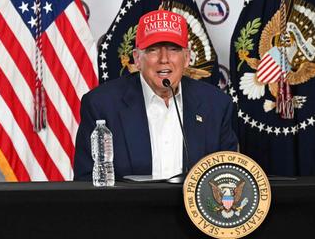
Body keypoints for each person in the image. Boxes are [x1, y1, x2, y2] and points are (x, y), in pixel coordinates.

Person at [74, 9, 237, 180]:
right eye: (153, 50)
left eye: (173, 49)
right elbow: (87, 182)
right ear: (137, 59)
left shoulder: (216, 105)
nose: (164, 59)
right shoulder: (102, 105)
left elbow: (228, 176)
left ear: (187, 57)